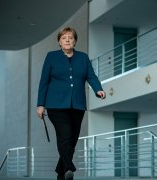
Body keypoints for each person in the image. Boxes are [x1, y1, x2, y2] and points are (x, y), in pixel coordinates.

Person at [36, 27, 106, 180]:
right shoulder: (51, 57)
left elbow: (91, 76)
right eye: (64, 38)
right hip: (55, 105)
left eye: (70, 37)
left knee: (72, 139)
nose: (67, 40)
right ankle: (68, 167)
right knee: (66, 135)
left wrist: (98, 89)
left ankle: (61, 174)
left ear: (75, 41)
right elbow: (44, 82)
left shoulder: (83, 57)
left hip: (77, 105)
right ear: (59, 42)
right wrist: (40, 104)